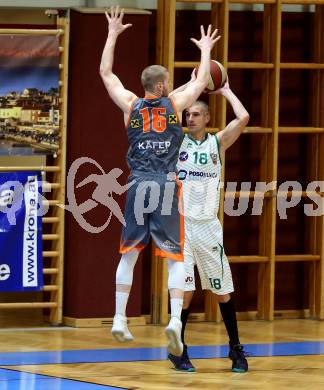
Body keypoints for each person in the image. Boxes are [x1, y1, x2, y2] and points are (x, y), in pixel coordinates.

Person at [99, 6, 220, 356]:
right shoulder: (175, 103)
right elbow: (200, 81)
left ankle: (120, 319)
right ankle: (174, 322)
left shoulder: (130, 106)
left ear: (144, 86)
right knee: (175, 258)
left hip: (137, 184)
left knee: (130, 254)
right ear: (164, 85)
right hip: (167, 184)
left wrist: (112, 33)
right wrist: (206, 49)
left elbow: (106, 73)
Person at [168, 77, 250, 370]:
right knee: (186, 292)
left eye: (195, 114)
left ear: (207, 118)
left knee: (222, 291)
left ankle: (235, 348)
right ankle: (179, 350)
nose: (190, 118)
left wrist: (226, 90)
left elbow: (243, 117)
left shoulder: (217, 142)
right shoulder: (177, 140)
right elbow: (165, 106)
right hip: (181, 226)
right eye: (187, 114)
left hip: (207, 227)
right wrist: (192, 83)